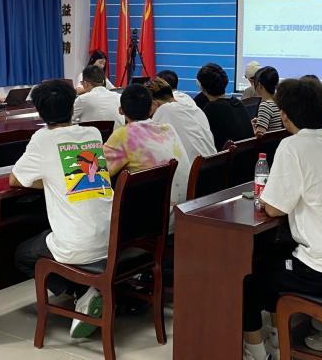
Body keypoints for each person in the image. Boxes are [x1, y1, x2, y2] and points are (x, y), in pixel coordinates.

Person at [241, 78, 322, 360]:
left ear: (285, 115)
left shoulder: (293, 146)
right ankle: (278, 342)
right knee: (273, 259)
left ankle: (257, 353)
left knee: (248, 281)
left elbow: (274, 209)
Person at [10, 80, 114, 339]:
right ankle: (90, 291)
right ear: (72, 106)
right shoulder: (92, 134)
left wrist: (50, 181)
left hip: (79, 245)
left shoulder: (42, 139)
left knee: (22, 255)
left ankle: (82, 292)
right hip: (112, 238)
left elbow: (15, 179)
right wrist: (57, 180)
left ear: (40, 112)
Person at [104, 84, 192, 209]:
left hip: (152, 214)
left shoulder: (124, 135)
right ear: (151, 108)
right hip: (182, 209)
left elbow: (100, 170)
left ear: (121, 110)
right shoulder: (168, 129)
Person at [147, 77, 216, 170]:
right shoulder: (195, 109)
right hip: (213, 170)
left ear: (153, 104)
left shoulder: (164, 110)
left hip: (195, 175)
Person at [196, 63, 255, 150]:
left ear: (201, 87)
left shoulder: (211, 110)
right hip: (248, 156)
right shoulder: (238, 104)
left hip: (227, 158)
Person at [252, 66, 283, 135]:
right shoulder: (278, 102)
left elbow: (260, 137)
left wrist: (252, 127)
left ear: (259, 85)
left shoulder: (265, 106)